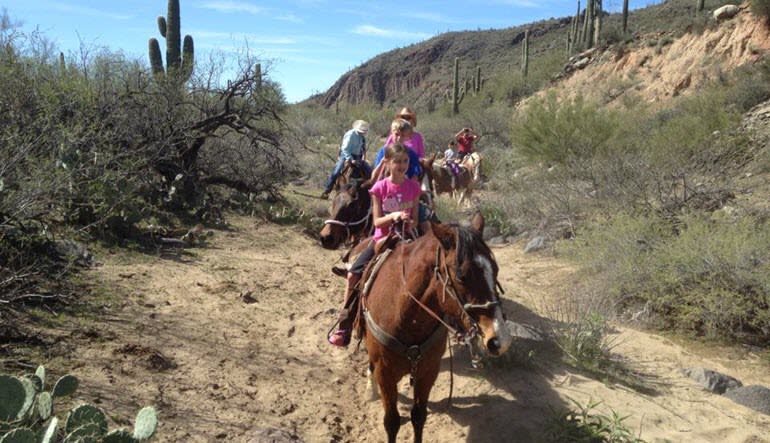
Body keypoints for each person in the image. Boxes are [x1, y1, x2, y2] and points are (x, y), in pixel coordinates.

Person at [328, 143, 421, 347]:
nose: (402, 165)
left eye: (405, 161)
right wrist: (394, 216)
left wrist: (408, 221)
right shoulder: (379, 188)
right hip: (382, 239)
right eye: (397, 161)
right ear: (386, 163)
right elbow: (377, 222)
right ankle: (344, 325)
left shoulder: (414, 187)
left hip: (407, 236)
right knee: (353, 275)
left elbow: (415, 220)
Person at [321, 120, 371, 199]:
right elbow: (345, 149)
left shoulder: (362, 137)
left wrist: (363, 158)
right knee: (337, 171)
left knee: (369, 170)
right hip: (346, 155)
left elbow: (363, 149)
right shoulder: (350, 134)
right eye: (362, 131)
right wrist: (350, 159)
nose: (363, 133)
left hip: (357, 156)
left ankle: (371, 192)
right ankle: (327, 190)